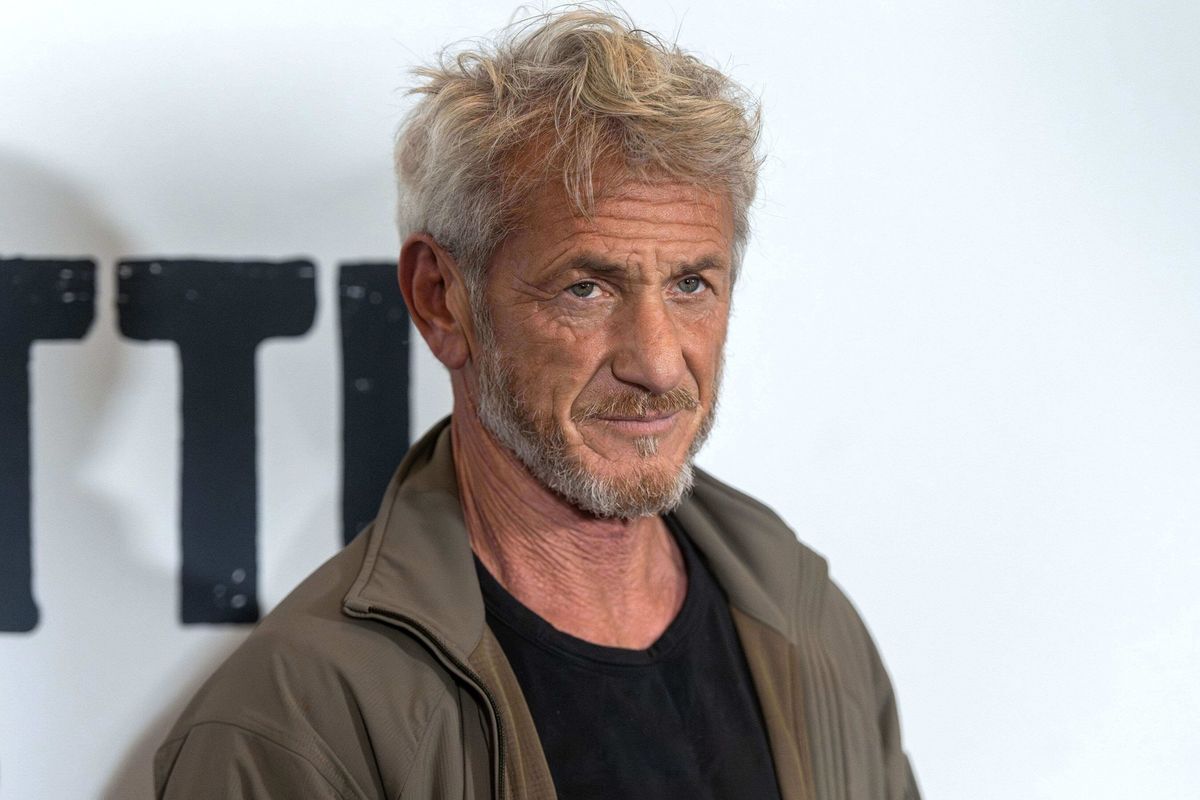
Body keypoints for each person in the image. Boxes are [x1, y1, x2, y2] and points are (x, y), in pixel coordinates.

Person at [154, 7, 920, 799]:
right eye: (586, 288)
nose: (658, 363)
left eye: (691, 283)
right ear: (441, 300)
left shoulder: (807, 619)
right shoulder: (299, 722)